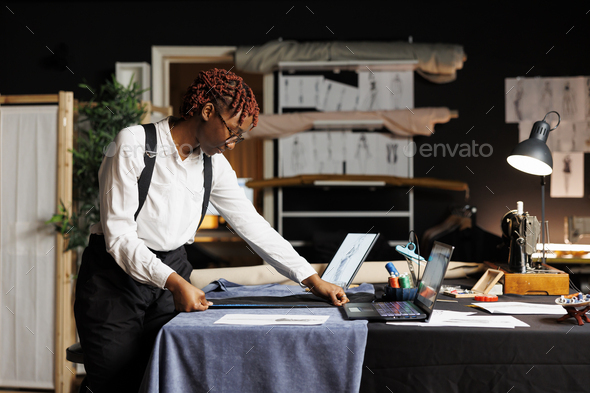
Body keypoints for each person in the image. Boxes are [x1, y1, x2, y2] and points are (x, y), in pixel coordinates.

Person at [74, 68, 349, 393]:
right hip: (114, 281)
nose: (233, 145)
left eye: (239, 137)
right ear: (207, 111)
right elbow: (119, 238)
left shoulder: (212, 165)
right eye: (233, 132)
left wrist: (310, 279)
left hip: (171, 272)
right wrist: (175, 283)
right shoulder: (133, 144)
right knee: (116, 384)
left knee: (166, 379)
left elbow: (252, 224)